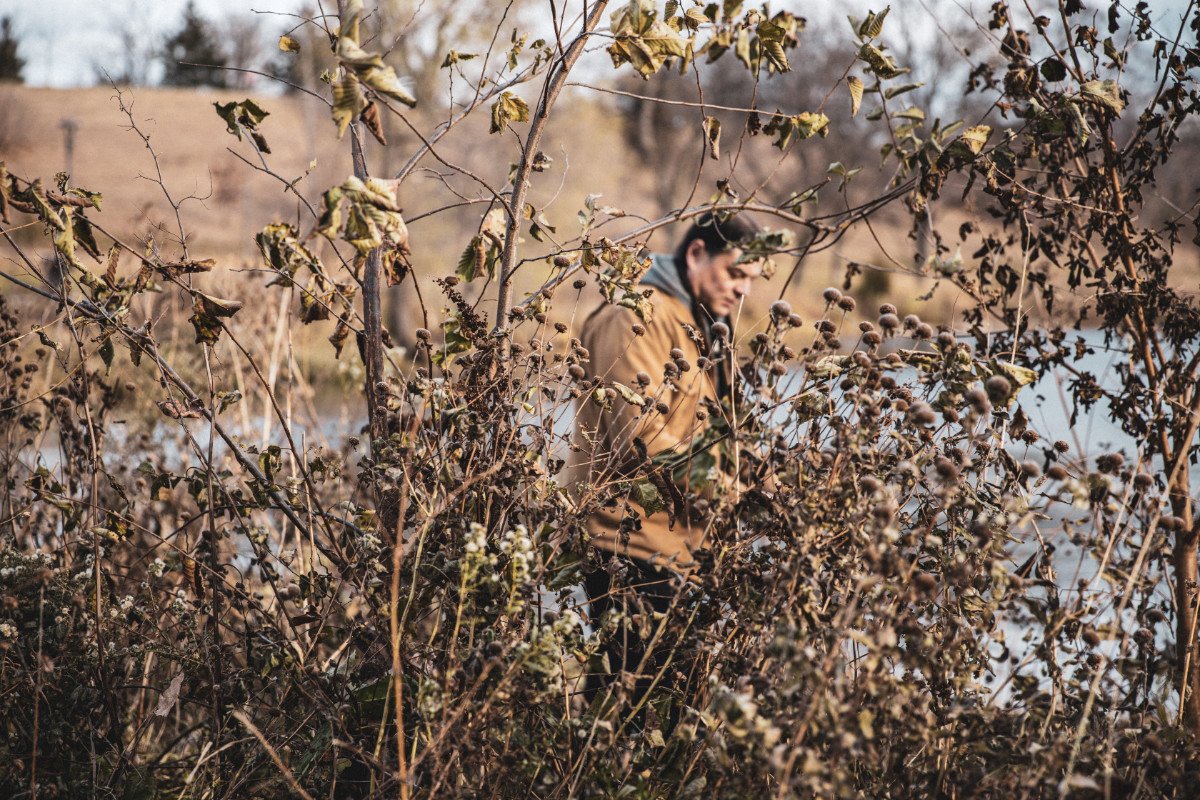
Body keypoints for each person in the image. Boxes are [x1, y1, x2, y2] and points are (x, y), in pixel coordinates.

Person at [569, 211, 765, 716]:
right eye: (735, 272)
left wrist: (770, 484)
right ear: (696, 253)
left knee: (645, 706)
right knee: (642, 709)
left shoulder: (694, 322)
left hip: (675, 547)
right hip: (627, 541)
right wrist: (735, 494)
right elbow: (642, 439)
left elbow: (713, 435)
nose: (743, 289)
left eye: (751, 279)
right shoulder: (635, 314)